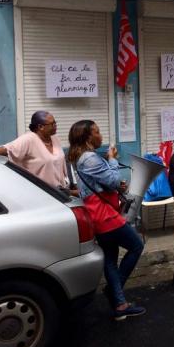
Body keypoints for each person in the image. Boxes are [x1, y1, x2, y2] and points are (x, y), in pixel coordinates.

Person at [68, 120, 145, 321]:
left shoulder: (83, 158)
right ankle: (114, 291)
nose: (100, 135)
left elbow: (103, 183)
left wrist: (115, 182)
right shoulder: (89, 158)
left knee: (110, 258)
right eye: (97, 131)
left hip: (98, 213)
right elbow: (112, 180)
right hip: (105, 215)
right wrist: (112, 159)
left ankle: (120, 305)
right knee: (136, 245)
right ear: (88, 137)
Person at [0, 111, 73, 193]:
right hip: (39, 192)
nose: (55, 126)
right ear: (40, 127)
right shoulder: (28, 139)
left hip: (59, 191)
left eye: (55, 123)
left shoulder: (54, 138)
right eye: (52, 124)